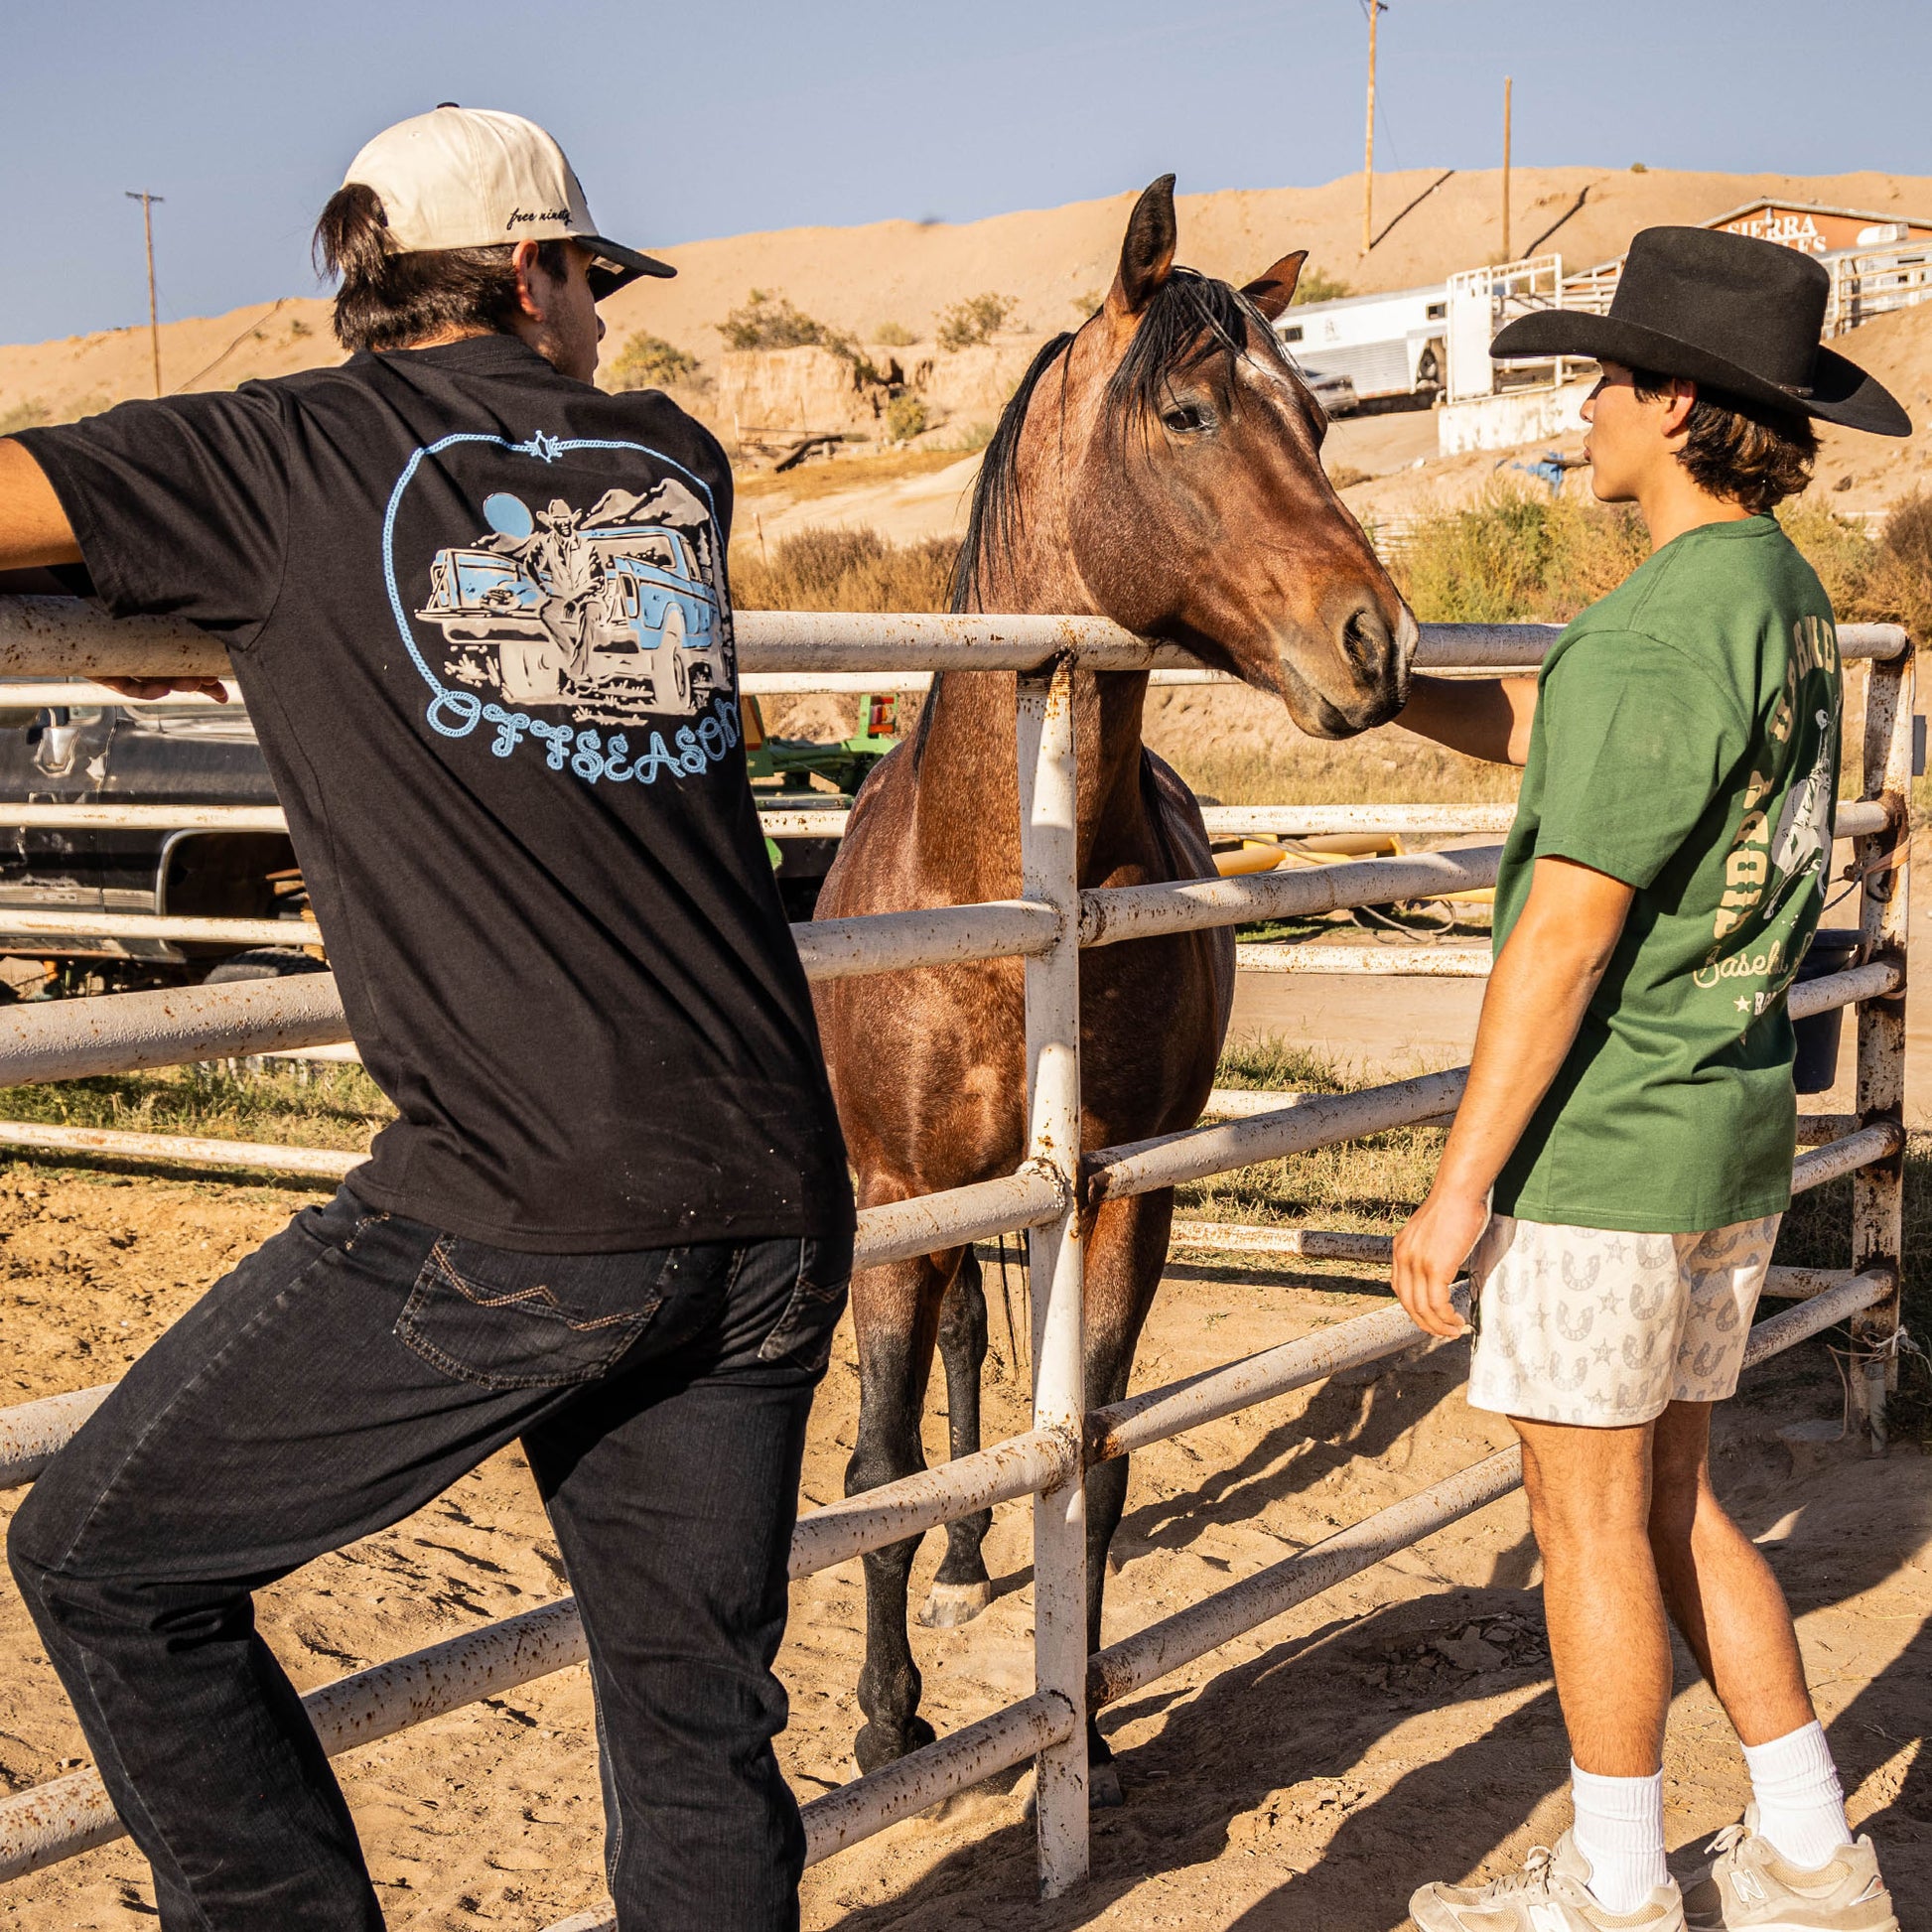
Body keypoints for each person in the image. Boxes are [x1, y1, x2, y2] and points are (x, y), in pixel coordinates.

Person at [1, 105, 854, 1931]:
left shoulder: (278, 458)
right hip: (777, 1191)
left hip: (524, 1206)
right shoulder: (673, 460)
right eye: (594, 284)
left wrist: (168, 599)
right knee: (696, 1721)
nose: (605, 328)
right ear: (537, 273)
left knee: (98, 1561)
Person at [1390, 227, 1908, 1932]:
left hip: (1606, 1147)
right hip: (1730, 1124)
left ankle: (1611, 1886)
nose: (1586, 405)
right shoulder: (1769, 592)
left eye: (1605, 378)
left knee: (1586, 1524)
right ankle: (1810, 1849)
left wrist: (1462, 1178)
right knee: (1670, 1500)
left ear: (1675, 404)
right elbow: (1570, 730)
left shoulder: (1656, 630)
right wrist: (1390, 690)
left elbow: (1563, 936)